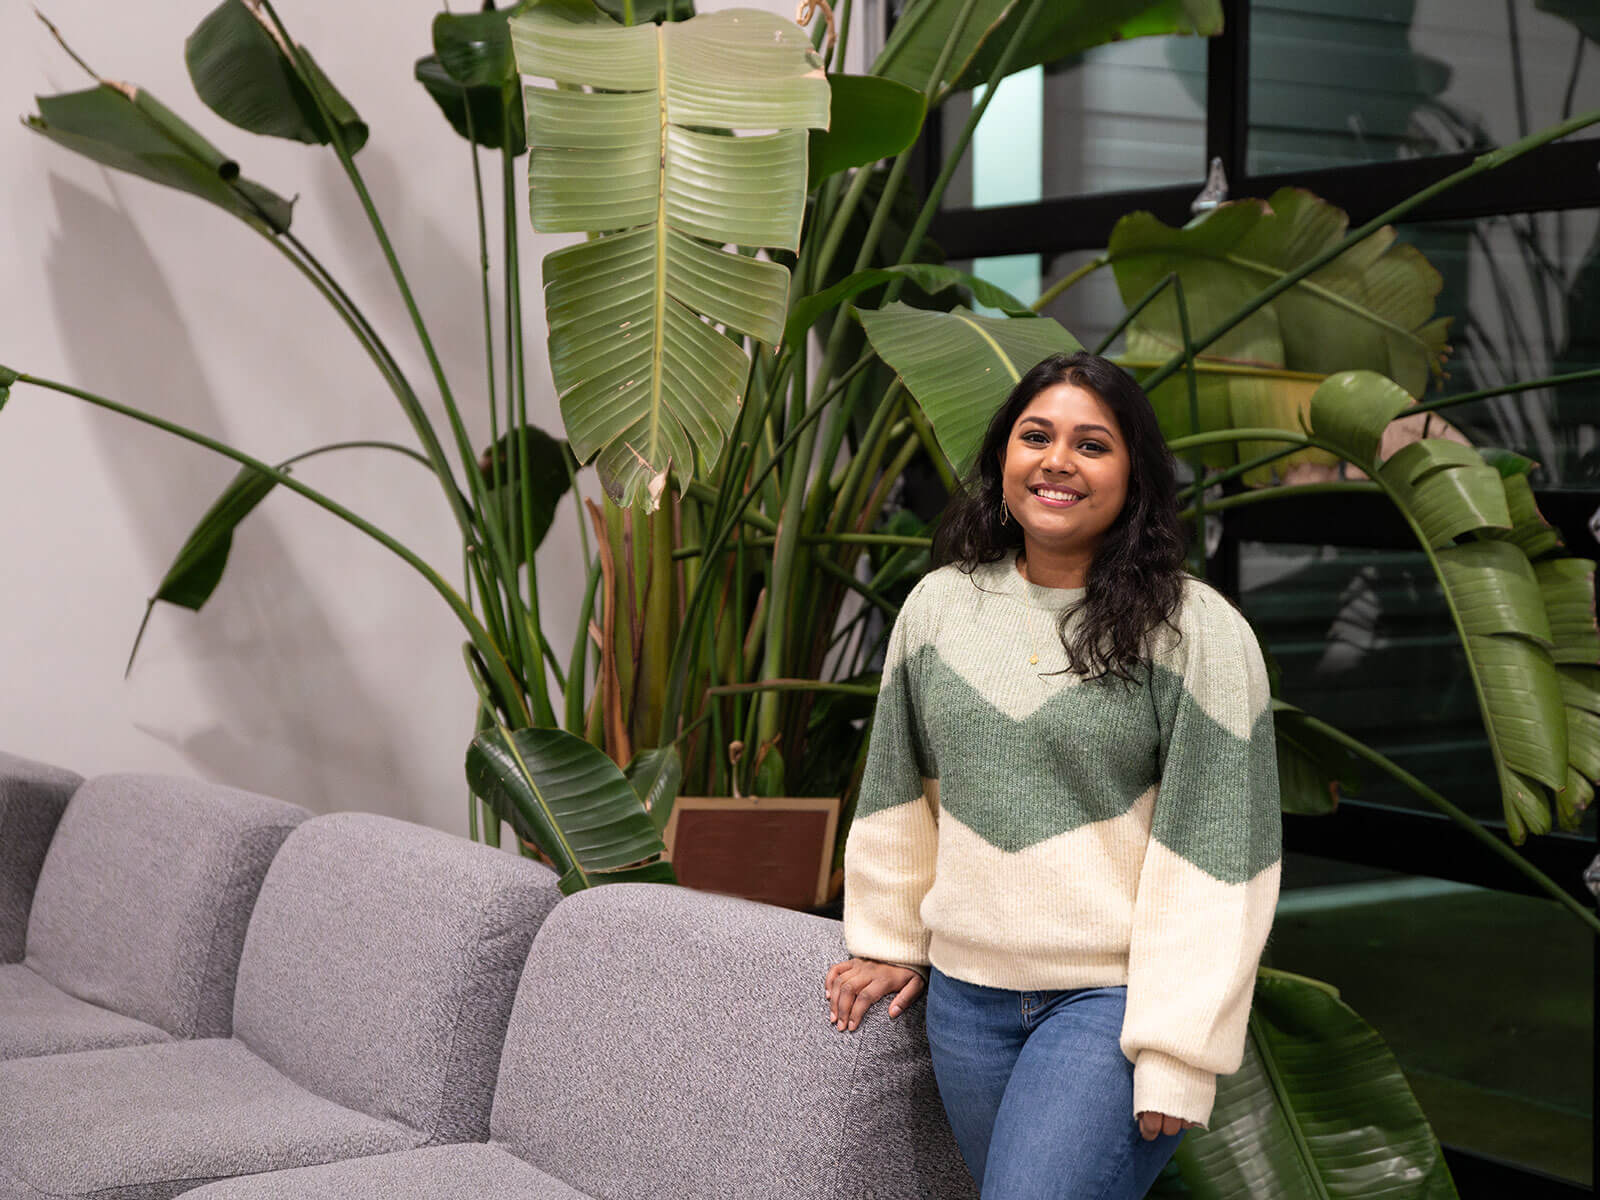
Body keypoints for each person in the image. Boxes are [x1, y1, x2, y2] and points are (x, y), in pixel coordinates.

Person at [823, 351, 1282, 1200]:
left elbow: (1221, 851)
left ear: (1135, 475)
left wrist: (1177, 1048)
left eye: (1092, 444)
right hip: (966, 1005)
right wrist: (888, 941)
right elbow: (898, 785)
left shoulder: (1196, 631)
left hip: (1108, 1006)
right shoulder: (939, 607)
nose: (1057, 461)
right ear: (1004, 458)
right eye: (1036, 436)